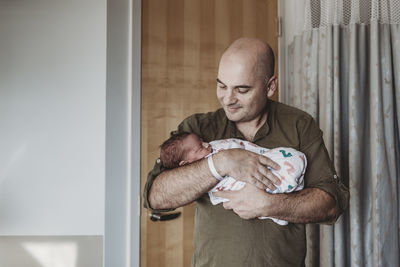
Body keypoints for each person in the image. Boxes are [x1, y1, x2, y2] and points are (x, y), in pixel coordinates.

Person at [143, 37, 349, 267]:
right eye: (222, 86)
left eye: (241, 90)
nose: (228, 99)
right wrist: (221, 163)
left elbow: (331, 204)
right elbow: (156, 196)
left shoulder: (299, 125)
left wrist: (270, 204)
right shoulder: (197, 131)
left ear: (270, 86)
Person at [159, 132, 307, 225]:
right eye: (200, 148)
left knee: (282, 161)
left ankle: (287, 177)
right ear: (186, 163)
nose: (207, 144)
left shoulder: (213, 147)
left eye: (202, 140)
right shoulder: (197, 178)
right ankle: (284, 183)